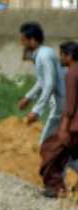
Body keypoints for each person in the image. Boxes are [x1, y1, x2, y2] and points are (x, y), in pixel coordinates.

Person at [39, 42, 78, 197]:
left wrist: (63, 128)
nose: (60, 58)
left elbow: (70, 105)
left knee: (49, 149)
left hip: (74, 127)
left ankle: (55, 187)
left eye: (61, 54)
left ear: (68, 56)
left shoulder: (71, 74)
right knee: (68, 155)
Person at [18, 22, 65, 144]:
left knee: (46, 143)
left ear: (32, 40)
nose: (22, 43)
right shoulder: (42, 54)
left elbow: (50, 84)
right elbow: (42, 81)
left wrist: (36, 111)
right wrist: (28, 97)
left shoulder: (44, 56)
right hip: (58, 103)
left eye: (23, 40)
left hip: (60, 103)